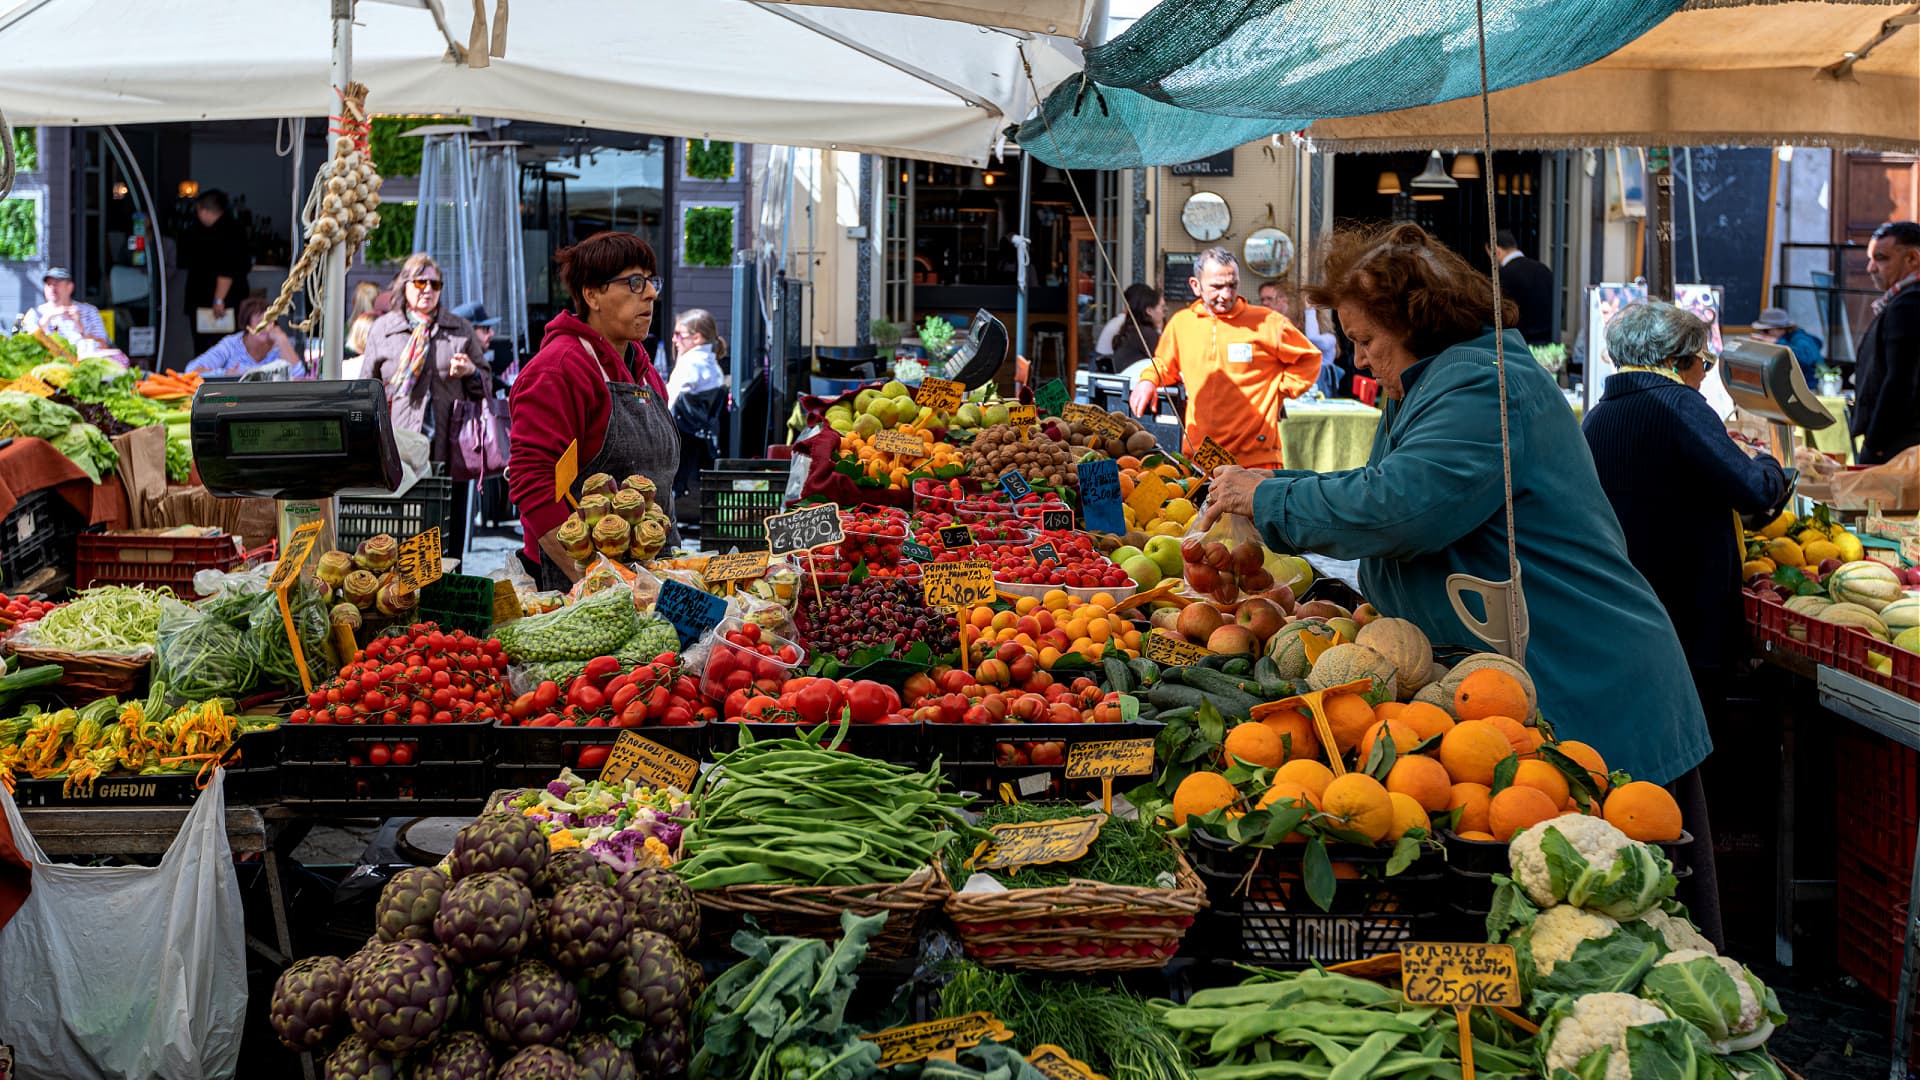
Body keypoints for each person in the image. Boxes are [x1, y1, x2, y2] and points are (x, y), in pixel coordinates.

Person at [1198, 222, 1712, 828]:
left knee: (1610, 889)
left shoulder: (1482, 385)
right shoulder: (1428, 384)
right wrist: (1267, 497)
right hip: (1520, 691)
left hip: (1585, 686)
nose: (1357, 357)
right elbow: (1385, 493)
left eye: (1367, 340)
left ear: (1419, 326)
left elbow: (1401, 508)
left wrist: (1268, 499)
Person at [508, 232, 679, 589]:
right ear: (591, 295)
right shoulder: (558, 369)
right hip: (577, 585)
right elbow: (533, 482)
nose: (650, 293)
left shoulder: (644, 371)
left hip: (653, 575)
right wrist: (592, 581)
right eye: (634, 282)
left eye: (651, 281)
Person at [1129, 247, 1320, 468]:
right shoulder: (1181, 324)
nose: (1227, 294)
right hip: (1201, 455)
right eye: (1217, 286)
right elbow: (1164, 365)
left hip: (1256, 458)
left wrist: (1278, 392)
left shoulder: (1269, 322)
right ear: (1195, 285)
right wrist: (1148, 380)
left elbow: (1309, 358)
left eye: (1232, 285)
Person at [362, 254, 488, 555]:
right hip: (402, 446)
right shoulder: (384, 329)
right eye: (420, 282)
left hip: (449, 445)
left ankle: (447, 588)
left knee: (448, 531)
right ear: (405, 285)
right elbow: (367, 387)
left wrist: (471, 371)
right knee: (402, 530)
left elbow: (486, 383)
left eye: (435, 283)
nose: (427, 289)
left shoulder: (459, 329)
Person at [1851, 220, 1920, 465]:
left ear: (1912, 259)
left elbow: (1900, 382)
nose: (1871, 268)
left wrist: (1874, 444)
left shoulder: (1909, 305)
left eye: (1881, 258)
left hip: (1900, 447)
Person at [179, 189, 253, 355]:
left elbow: (226, 269)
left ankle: (212, 378)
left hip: (217, 305)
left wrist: (219, 299)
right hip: (218, 302)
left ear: (203, 210)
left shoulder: (224, 232)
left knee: (214, 349)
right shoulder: (233, 228)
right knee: (224, 347)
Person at [669, 309, 729, 503]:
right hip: (698, 445)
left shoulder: (691, 365)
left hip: (680, 445)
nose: (673, 339)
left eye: (679, 334)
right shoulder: (710, 363)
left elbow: (670, 403)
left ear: (697, 338)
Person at [1260, 279, 1342, 396]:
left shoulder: (1329, 339)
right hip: (1304, 388)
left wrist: (1310, 310)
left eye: (1305, 321)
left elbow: (1313, 337)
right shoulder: (1300, 339)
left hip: (1321, 391)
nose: (1300, 325)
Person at [184, 297, 303, 377]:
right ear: (247, 325)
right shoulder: (231, 344)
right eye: (259, 322)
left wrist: (282, 339)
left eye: (269, 321)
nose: (265, 327)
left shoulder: (281, 344)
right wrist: (225, 374)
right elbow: (191, 370)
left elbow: (298, 375)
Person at [19, 267, 114, 353]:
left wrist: (80, 327)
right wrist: (47, 318)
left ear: (70, 287)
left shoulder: (89, 311)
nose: (52, 288)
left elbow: (103, 346)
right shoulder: (35, 313)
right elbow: (28, 346)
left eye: (57, 283)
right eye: (49, 284)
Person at [1493, 229, 1555, 345]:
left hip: (1519, 344)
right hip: (1548, 345)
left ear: (1498, 251)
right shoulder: (1544, 269)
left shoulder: (1503, 275)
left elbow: (1500, 315)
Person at [1749, 307, 1824, 386]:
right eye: (1760, 331)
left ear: (1781, 329)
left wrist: (1777, 342)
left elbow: (1806, 358)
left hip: (1809, 387)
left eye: (1766, 331)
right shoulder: (1783, 339)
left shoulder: (1800, 338)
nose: (1763, 335)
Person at [1109, 284, 1164, 371]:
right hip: (1135, 382)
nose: (1163, 313)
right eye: (1162, 308)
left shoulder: (1133, 330)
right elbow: (1165, 361)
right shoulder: (1146, 334)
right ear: (1149, 311)